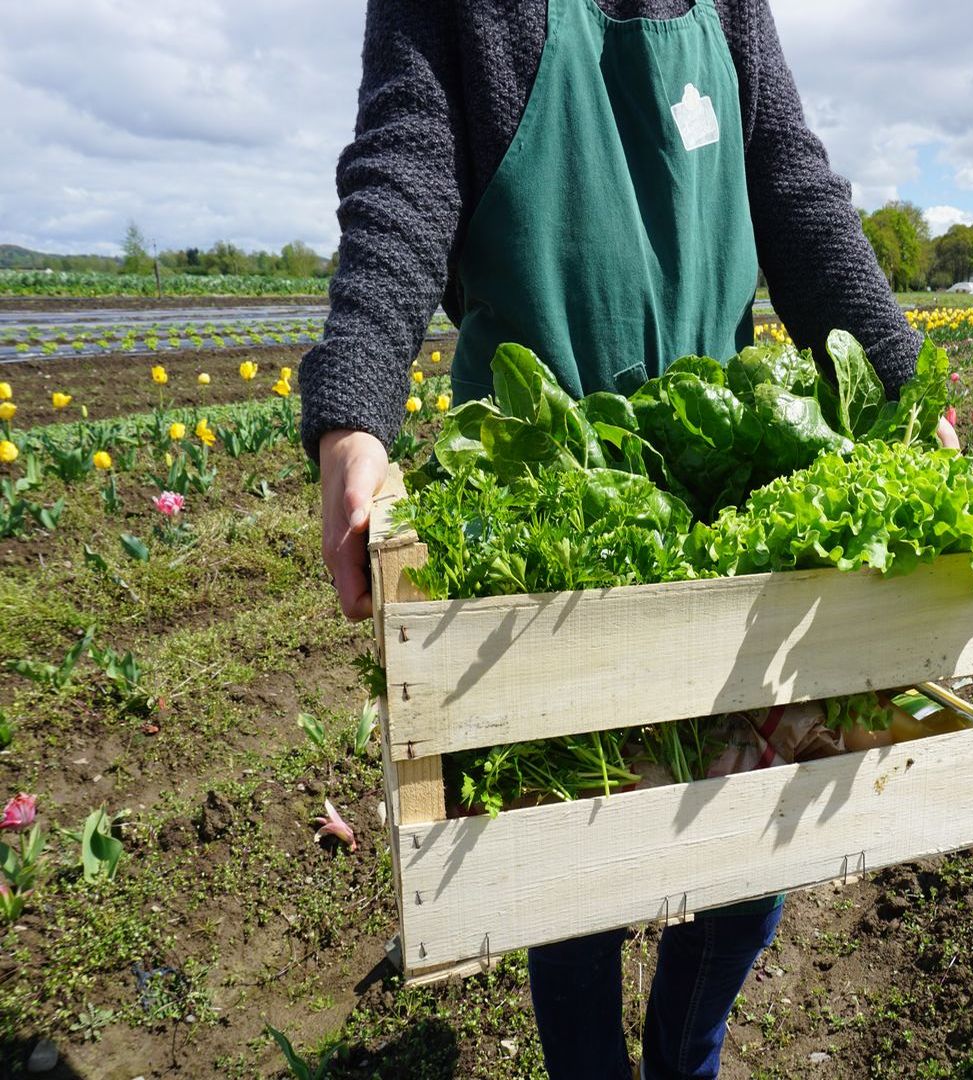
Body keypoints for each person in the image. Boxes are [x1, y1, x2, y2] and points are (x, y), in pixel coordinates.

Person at [299, 2, 920, 1077]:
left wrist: (906, 383)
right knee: (573, 872)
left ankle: (687, 1058)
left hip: (725, 484)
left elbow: (793, 186)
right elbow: (402, 177)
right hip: (547, 511)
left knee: (740, 870)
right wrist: (354, 415)